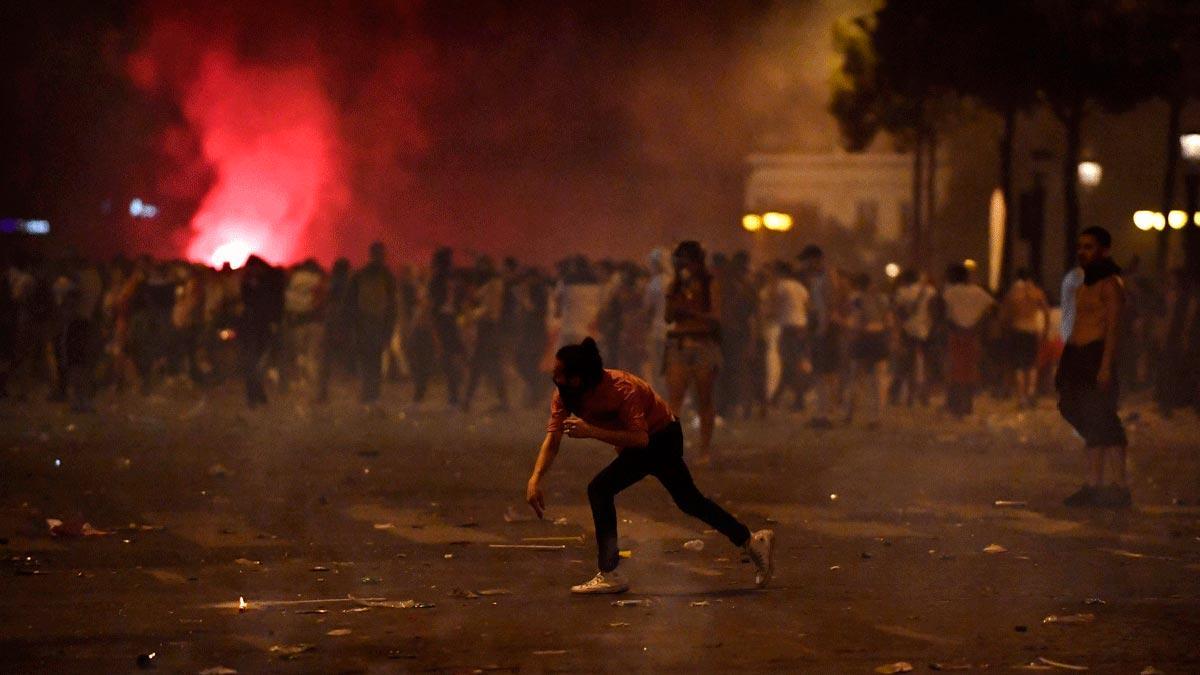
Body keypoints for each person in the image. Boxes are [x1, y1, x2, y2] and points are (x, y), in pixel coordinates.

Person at [524, 337, 774, 594]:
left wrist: (592, 431)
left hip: (662, 437)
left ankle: (610, 571)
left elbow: (640, 439)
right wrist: (535, 479)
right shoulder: (566, 396)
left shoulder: (621, 388)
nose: (553, 377)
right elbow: (553, 439)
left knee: (600, 489)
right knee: (689, 500)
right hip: (645, 443)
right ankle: (752, 540)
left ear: (577, 379)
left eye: (559, 374)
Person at [1057, 227, 1130, 508]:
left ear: (1104, 250)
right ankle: (1093, 485)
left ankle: (1119, 486)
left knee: (1105, 419)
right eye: (1080, 246)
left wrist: (1105, 366)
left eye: (1089, 246)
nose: (1082, 251)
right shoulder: (1085, 284)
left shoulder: (1110, 285)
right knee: (1080, 413)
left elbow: (1113, 328)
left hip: (1097, 356)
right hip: (1077, 356)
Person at [664, 241, 721, 463]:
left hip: (703, 344)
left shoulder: (710, 284)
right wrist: (674, 300)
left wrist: (690, 312)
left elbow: (716, 317)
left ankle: (704, 450)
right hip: (679, 345)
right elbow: (668, 318)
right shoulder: (675, 285)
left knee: (704, 399)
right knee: (674, 400)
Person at [941, 263, 994, 417]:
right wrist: (977, 323)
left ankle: (955, 405)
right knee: (970, 369)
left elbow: (943, 313)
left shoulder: (949, 292)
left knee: (955, 369)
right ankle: (967, 404)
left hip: (955, 334)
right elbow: (991, 309)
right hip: (973, 335)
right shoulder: (978, 292)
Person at [349, 242, 398, 406]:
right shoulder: (387, 276)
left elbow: (350, 303)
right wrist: (389, 328)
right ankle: (372, 395)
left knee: (366, 360)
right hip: (377, 323)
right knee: (374, 360)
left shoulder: (359, 275)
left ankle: (367, 394)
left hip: (364, 323)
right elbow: (392, 304)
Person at [799, 246, 842, 428]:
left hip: (826, 327)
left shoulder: (827, 277)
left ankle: (827, 414)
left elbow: (829, 305)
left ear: (816, 259)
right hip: (819, 325)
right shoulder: (816, 278)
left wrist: (822, 330)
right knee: (819, 372)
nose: (804, 264)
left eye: (807, 260)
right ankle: (821, 412)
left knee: (825, 372)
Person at [764, 260, 810, 412]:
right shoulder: (799, 287)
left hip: (789, 328)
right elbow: (807, 305)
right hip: (801, 327)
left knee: (789, 362)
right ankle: (779, 397)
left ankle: (796, 399)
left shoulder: (781, 286)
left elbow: (773, 305)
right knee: (794, 363)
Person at [1000, 268, 1049, 408]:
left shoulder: (1013, 293)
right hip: (1032, 330)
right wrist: (1045, 331)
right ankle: (1031, 392)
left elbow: (1004, 316)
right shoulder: (1037, 293)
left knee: (1019, 365)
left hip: (1017, 329)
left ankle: (1022, 397)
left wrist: (1005, 331)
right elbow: (1046, 313)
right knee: (1032, 364)